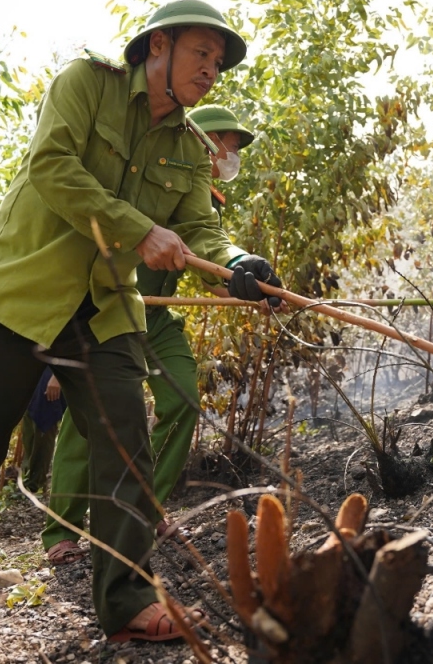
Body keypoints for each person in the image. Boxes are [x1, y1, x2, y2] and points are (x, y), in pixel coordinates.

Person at [0, 0, 283, 647]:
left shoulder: (189, 148)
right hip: (11, 295)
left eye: (219, 63)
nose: (212, 70)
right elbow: (52, 167)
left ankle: (126, 598)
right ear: (158, 46)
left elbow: (200, 229)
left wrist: (240, 264)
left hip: (104, 314)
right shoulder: (85, 84)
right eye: (201, 54)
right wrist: (137, 230)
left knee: (127, 446)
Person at [42, 105, 257, 566]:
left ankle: (142, 509)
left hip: (154, 320)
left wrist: (246, 279)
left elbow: (210, 265)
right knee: (89, 419)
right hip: (102, 310)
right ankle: (61, 528)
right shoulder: (138, 175)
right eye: (228, 147)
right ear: (202, 138)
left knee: (183, 397)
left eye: (234, 152)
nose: (230, 158)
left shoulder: (203, 199)